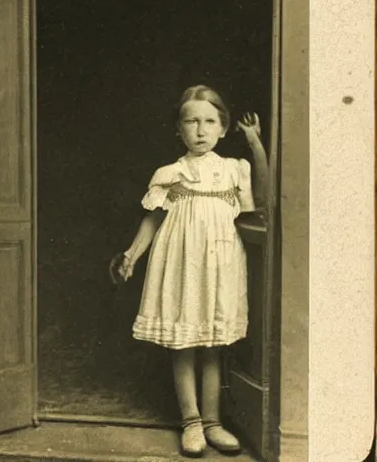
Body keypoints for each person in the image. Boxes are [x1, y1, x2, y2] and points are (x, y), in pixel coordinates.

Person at [112, 85, 268, 457]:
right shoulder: (170, 173)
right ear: (178, 130)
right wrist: (132, 254)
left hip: (220, 262)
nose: (200, 130)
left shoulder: (234, 170)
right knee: (183, 341)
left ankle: (213, 422)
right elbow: (152, 219)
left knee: (213, 343)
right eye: (191, 121)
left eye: (210, 121)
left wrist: (256, 144)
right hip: (181, 262)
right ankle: (191, 421)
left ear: (224, 127)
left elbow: (261, 199)